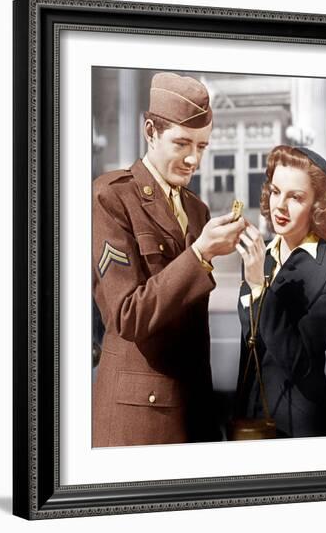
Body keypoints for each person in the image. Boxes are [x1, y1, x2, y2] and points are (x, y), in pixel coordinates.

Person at [93, 72, 245, 447]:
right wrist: (200, 253)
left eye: (203, 146)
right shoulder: (111, 199)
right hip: (139, 420)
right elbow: (128, 316)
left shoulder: (197, 209)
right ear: (150, 131)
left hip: (193, 411)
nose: (194, 158)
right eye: (182, 143)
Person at [234, 145, 326, 438]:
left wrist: (258, 287)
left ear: (318, 206)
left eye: (296, 197)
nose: (280, 205)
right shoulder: (263, 256)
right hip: (252, 419)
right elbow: (250, 342)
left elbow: (298, 361)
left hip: (298, 429)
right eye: (277, 191)